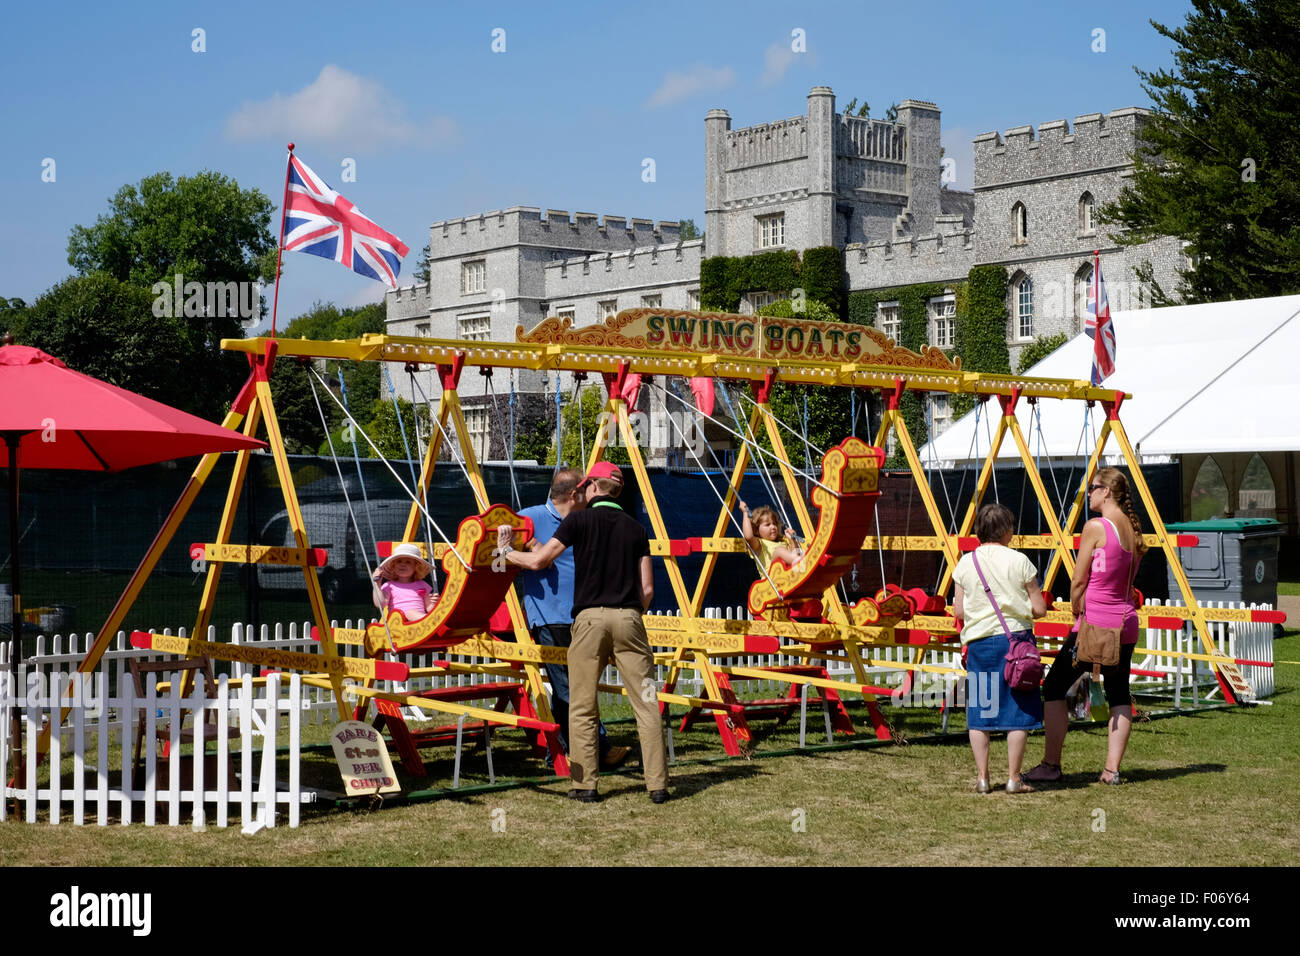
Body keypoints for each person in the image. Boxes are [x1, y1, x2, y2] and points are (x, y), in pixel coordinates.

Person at [497, 461, 669, 804]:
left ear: (592, 487)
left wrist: (505, 552)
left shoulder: (577, 521)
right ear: (617, 490)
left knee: (581, 706)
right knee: (647, 703)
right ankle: (658, 786)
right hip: (630, 619)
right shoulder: (636, 529)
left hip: (589, 620)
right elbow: (647, 589)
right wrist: (632, 614)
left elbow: (538, 561)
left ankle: (585, 785)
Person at [1026, 468, 1146, 786]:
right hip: (1126, 622)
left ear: (1106, 491)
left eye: (1092, 488)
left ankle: (1051, 763)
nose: (1089, 494)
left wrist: (1075, 604)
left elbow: (1079, 578)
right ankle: (1111, 769)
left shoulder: (1096, 527)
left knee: (1053, 688)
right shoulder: (1132, 530)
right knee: (1119, 692)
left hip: (1095, 624)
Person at [517, 468, 628, 770]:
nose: (592, 494)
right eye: (587, 489)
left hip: (584, 614)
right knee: (569, 687)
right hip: (550, 615)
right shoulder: (529, 518)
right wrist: (522, 548)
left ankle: (562, 750)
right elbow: (496, 547)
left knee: (578, 684)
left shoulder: (585, 521)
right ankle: (596, 750)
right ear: (574, 494)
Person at [952, 503, 1048, 794]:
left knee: (980, 711)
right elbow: (1039, 608)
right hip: (1016, 642)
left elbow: (958, 609)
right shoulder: (1020, 561)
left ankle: (983, 778)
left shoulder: (966, 563)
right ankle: (1013, 777)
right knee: (1018, 710)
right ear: (1008, 531)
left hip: (979, 643)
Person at [371, 542, 437, 618]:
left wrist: (434, 603)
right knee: (410, 613)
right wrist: (377, 584)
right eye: (399, 561)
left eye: (408, 562)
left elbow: (429, 608)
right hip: (398, 623)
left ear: (416, 567)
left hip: (419, 624)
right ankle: (428, 621)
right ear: (393, 566)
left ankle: (428, 621)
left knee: (413, 613)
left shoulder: (422, 584)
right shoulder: (390, 586)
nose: (402, 564)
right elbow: (380, 604)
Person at [739, 500, 801, 571]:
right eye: (767, 525)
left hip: (790, 572)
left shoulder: (784, 541)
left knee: (797, 551)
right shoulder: (759, 544)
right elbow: (748, 536)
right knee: (779, 551)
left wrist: (793, 540)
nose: (773, 527)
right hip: (771, 578)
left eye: (774, 524)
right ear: (756, 530)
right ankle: (801, 562)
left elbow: (796, 554)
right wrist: (745, 512)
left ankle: (801, 562)